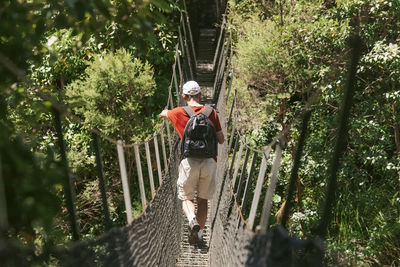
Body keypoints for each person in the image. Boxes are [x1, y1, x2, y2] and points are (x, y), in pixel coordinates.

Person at [159, 81, 224, 244]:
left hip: (189, 162)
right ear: (200, 95)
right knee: (203, 200)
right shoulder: (212, 112)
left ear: (184, 97)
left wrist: (167, 112)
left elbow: (163, 113)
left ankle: (191, 218)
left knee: (186, 198)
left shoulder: (177, 113)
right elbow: (221, 140)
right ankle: (199, 235)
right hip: (209, 162)